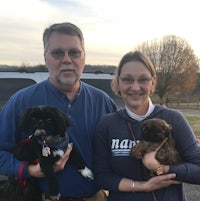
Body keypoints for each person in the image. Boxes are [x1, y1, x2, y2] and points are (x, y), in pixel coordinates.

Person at [0, 22, 117, 201]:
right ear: (45, 57)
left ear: (84, 57)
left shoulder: (103, 102)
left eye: (74, 52)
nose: (67, 59)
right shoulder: (21, 102)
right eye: (57, 53)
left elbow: (120, 152)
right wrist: (31, 171)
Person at [94, 51, 200, 201]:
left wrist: (162, 168)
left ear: (153, 82)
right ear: (118, 82)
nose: (135, 88)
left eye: (143, 79)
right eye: (127, 79)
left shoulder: (173, 119)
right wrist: (142, 186)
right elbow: (102, 177)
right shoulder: (107, 124)